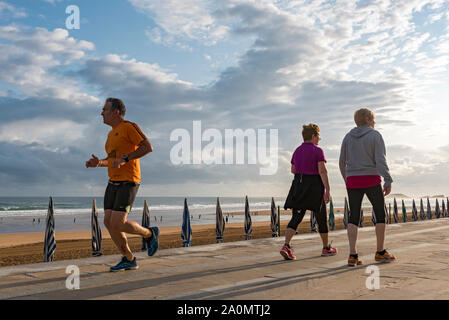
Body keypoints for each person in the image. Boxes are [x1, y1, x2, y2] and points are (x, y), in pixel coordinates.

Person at [85, 97, 159, 272]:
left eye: (105, 109)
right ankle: (129, 259)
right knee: (109, 222)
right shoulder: (111, 134)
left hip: (129, 180)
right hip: (113, 181)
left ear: (115, 112)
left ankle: (149, 233)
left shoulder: (129, 127)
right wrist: (99, 163)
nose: (101, 113)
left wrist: (125, 158)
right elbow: (111, 160)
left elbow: (148, 147)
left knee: (118, 222)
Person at [339, 108, 396, 267]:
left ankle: (352, 255)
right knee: (380, 213)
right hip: (371, 178)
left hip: (353, 180)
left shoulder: (348, 137)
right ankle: (380, 251)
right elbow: (380, 160)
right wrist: (387, 179)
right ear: (368, 120)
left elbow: (341, 161)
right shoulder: (375, 135)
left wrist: (347, 179)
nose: (375, 123)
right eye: (373, 120)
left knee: (353, 215)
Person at [282, 124, 337, 260]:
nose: (319, 139)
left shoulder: (297, 151)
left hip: (298, 185)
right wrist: (327, 190)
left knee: (296, 217)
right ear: (313, 136)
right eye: (318, 136)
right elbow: (322, 171)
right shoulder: (318, 151)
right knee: (321, 218)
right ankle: (326, 248)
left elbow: (293, 170)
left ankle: (286, 245)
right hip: (314, 186)